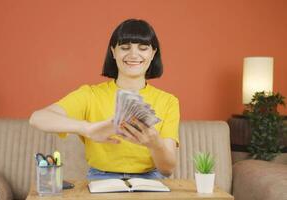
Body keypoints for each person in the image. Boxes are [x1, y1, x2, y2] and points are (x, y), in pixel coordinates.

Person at [29, 19, 180, 180]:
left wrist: (155, 144)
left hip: (150, 179)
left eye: (143, 48)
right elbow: (37, 118)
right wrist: (87, 128)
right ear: (113, 52)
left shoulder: (168, 101)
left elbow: (167, 170)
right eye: (124, 47)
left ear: (153, 53)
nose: (134, 55)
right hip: (100, 177)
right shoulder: (90, 95)